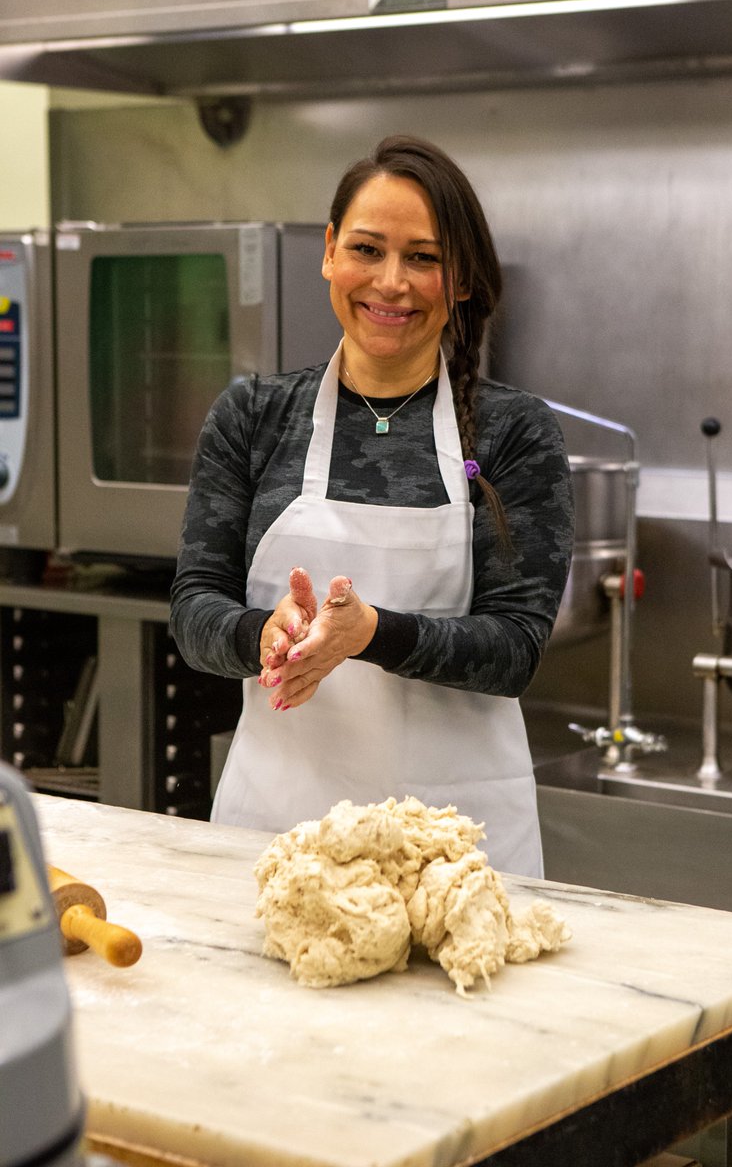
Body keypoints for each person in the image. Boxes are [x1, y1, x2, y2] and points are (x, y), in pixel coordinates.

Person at [170, 134, 574, 877]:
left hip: (455, 856)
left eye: (423, 257)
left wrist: (371, 634)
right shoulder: (255, 417)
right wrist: (263, 634)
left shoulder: (516, 433)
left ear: (460, 279)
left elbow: (514, 649)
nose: (391, 283)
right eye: (367, 249)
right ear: (329, 252)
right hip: (279, 840)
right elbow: (194, 610)